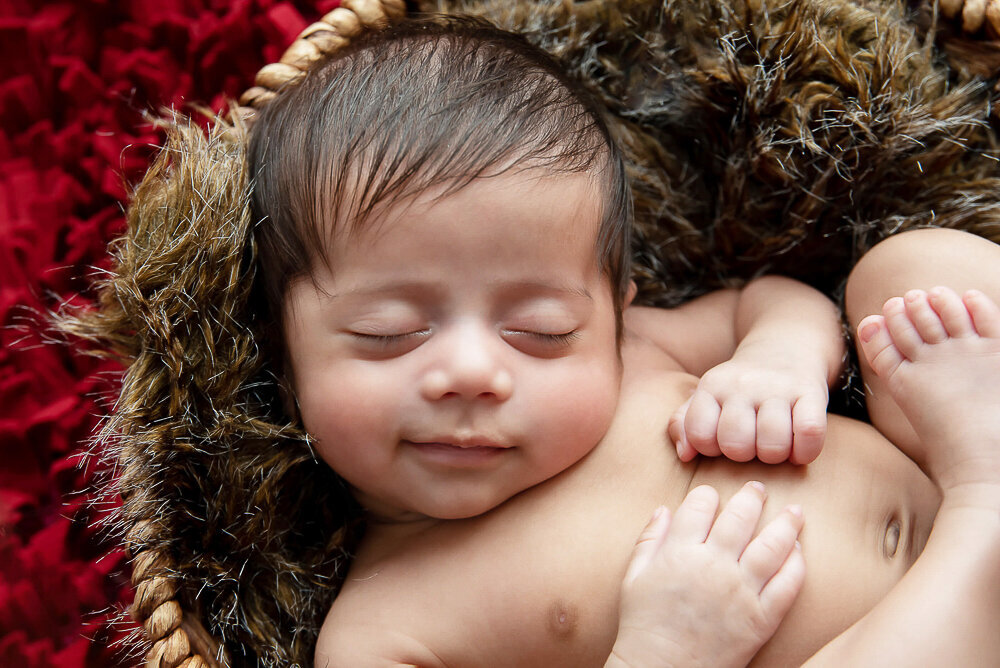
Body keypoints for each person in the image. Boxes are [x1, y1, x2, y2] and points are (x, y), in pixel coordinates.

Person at [245, 15, 1000, 667]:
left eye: (540, 331)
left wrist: (778, 358)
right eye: (389, 334)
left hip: (929, 461)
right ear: (282, 352)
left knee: (907, 271)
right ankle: (984, 511)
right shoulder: (382, 629)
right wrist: (661, 652)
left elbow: (767, 299)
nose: (471, 371)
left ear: (613, 314)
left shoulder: (632, 349)